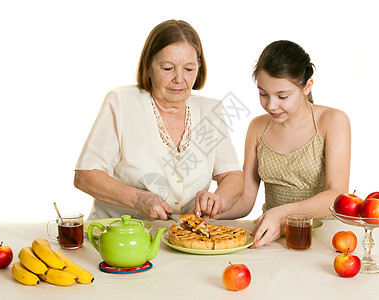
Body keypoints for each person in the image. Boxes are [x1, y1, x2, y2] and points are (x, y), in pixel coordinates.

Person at [74, 20, 243, 221]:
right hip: (119, 236)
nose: (179, 79)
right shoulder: (121, 102)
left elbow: (233, 176)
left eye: (189, 69)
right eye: (168, 68)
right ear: (148, 68)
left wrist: (218, 200)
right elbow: (85, 176)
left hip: (184, 237)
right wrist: (137, 198)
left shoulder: (210, 111)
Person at [216, 40, 351, 247]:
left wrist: (282, 213)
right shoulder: (257, 127)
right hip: (272, 238)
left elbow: (336, 194)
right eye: (263, 94)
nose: (271, 105)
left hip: (323, 239)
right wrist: (210, 213)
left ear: (307, 86)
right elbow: (245, 200)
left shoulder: (333, 121)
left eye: (282, 96)